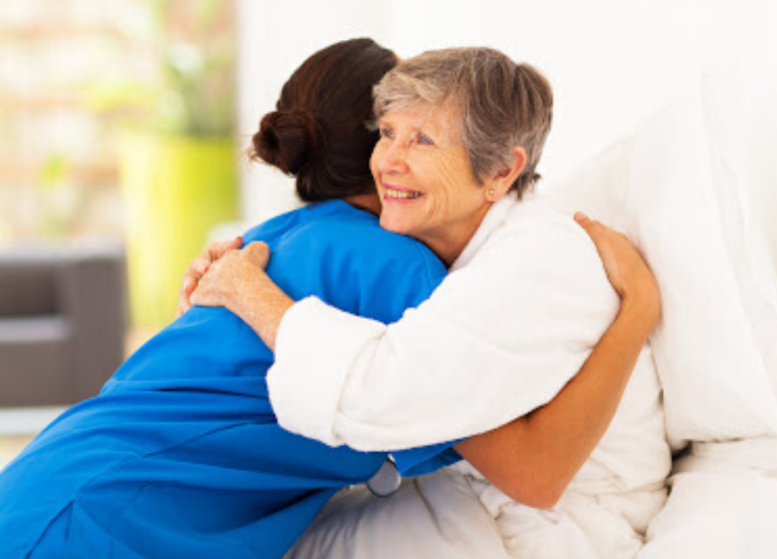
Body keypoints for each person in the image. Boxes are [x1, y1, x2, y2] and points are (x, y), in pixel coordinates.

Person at [0, 39, 658, 559]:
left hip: (65, 483)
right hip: (97, 516)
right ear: (369, 138)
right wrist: (635, 317)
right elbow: (527, 465)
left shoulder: (275, 238)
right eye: (395, 128)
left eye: (422, 134)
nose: (399, 151)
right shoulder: (397, 271)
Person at [185, 47, 671, 559]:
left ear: (501, 170)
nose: (389, 161)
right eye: (388, 132)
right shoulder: (433, 247)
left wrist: (245, 289)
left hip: (552, 528)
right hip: (475, 498)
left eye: (423, 140)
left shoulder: (533, 262)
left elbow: (380, 390)